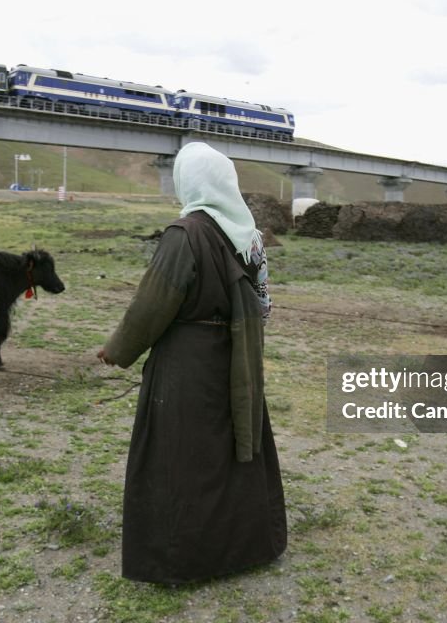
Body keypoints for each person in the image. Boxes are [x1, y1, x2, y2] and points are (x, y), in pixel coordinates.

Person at [97, 141, 287, 585]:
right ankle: (247, 546)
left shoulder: (185, 234)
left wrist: (117, 351)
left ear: (190, 181)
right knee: (234, 449)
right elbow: (263, 306)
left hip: (188, 364)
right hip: (237, 362)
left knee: (184, 456)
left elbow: (151, 306)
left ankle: (185, 559)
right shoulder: (249, 235)